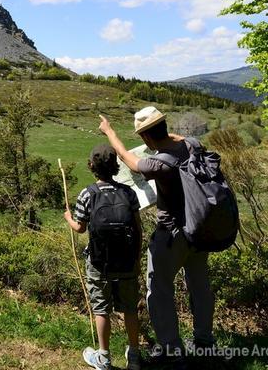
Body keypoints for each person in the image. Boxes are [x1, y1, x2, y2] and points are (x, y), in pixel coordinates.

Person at [98, 106, 216, 368]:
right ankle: (205, 342)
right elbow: (174, 139)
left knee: (159, 290)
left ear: (146, 139)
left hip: (172, 233)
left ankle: (172, 352)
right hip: (200, 229)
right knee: (200, 285)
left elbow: (126, 157)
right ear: (165, 127)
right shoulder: (193, 144)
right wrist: (158, 134)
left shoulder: (157, 163)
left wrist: (109, 131)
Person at [64, 144, 143, 370]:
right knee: (129, 308)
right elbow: (138, 229)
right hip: (128, 262)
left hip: (99, 264)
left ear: (91, 166)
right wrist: (136, 258)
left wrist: (68, 217)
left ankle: (104, 357)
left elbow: (79, 228)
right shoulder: (128, 193)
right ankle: (135, 356)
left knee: (101, 308)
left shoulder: (87, 194)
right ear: (116, 167)